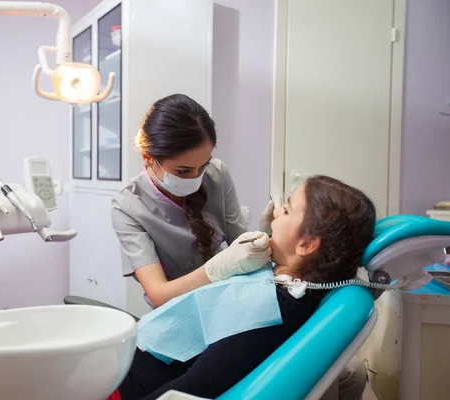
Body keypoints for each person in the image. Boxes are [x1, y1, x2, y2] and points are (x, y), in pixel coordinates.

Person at [110, 175, 376, 400]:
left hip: (123, 383)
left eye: (288, 209)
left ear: (306, 245)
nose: (277, 210)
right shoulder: (283, 284)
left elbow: (196, 387)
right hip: (129, 355)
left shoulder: (268, 309)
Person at [111, 93, 276, 310]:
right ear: (148, 157)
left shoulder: (217, 173)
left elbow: (241, 244)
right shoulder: (128, 206)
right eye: (183, 170)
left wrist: (265, 239)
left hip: (227, 301)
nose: (196, 178)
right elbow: (159, 294)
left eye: (203, 165)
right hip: (177, 313)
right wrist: (217, 268)